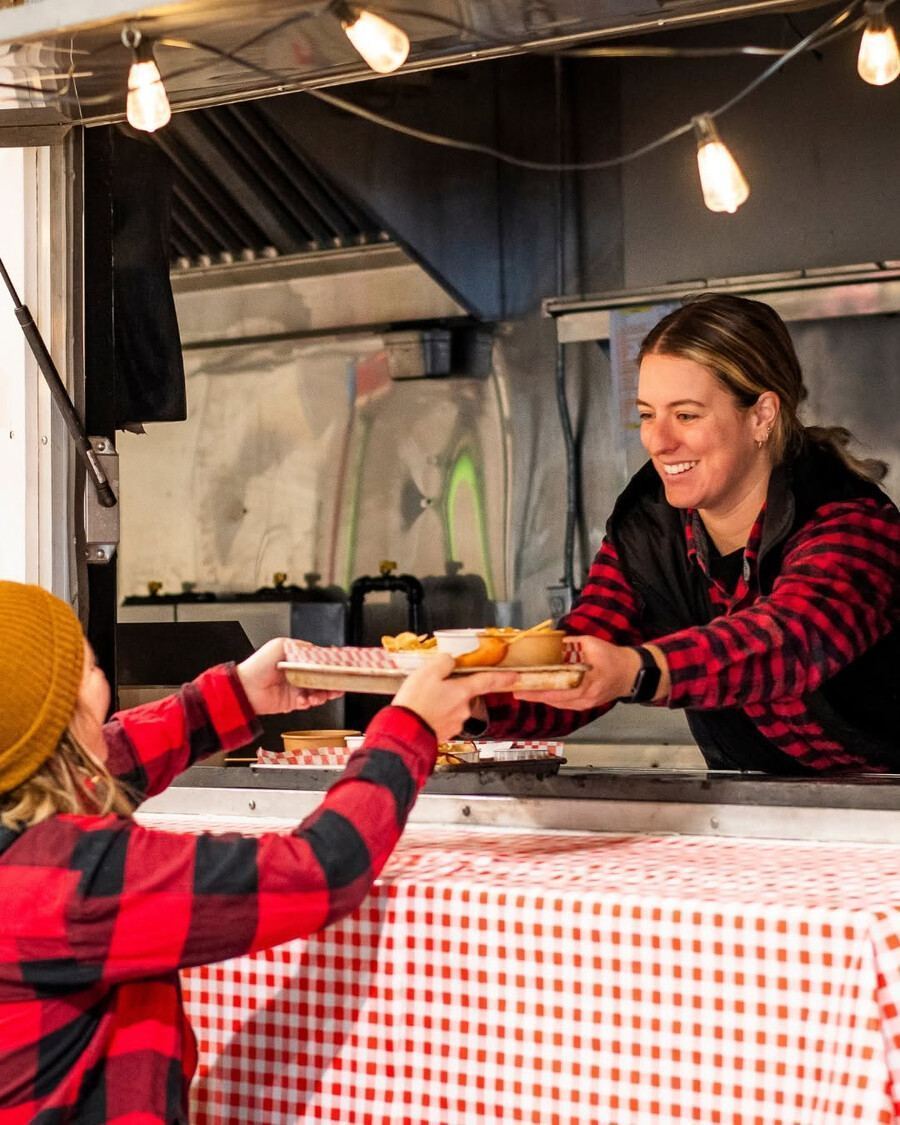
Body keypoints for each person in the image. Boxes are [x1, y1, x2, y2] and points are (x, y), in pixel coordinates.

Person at [0, 580, 514, 1123]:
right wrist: (410, 730)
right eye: (89, 670)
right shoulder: (72, 881)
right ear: (60, 724)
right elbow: (320, 871)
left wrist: (239, 693)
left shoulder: (21, 809)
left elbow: (109, 763)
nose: (101, 679)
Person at [478, 293, 899, 773]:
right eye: (646, 414)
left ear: (761, 415)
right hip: (763, 812)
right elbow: (579, 660)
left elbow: (787, 642)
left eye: (686, 415)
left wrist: (638, 671)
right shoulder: (647, 529)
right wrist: (475, 702)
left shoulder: (849, 521)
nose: (658, 441)